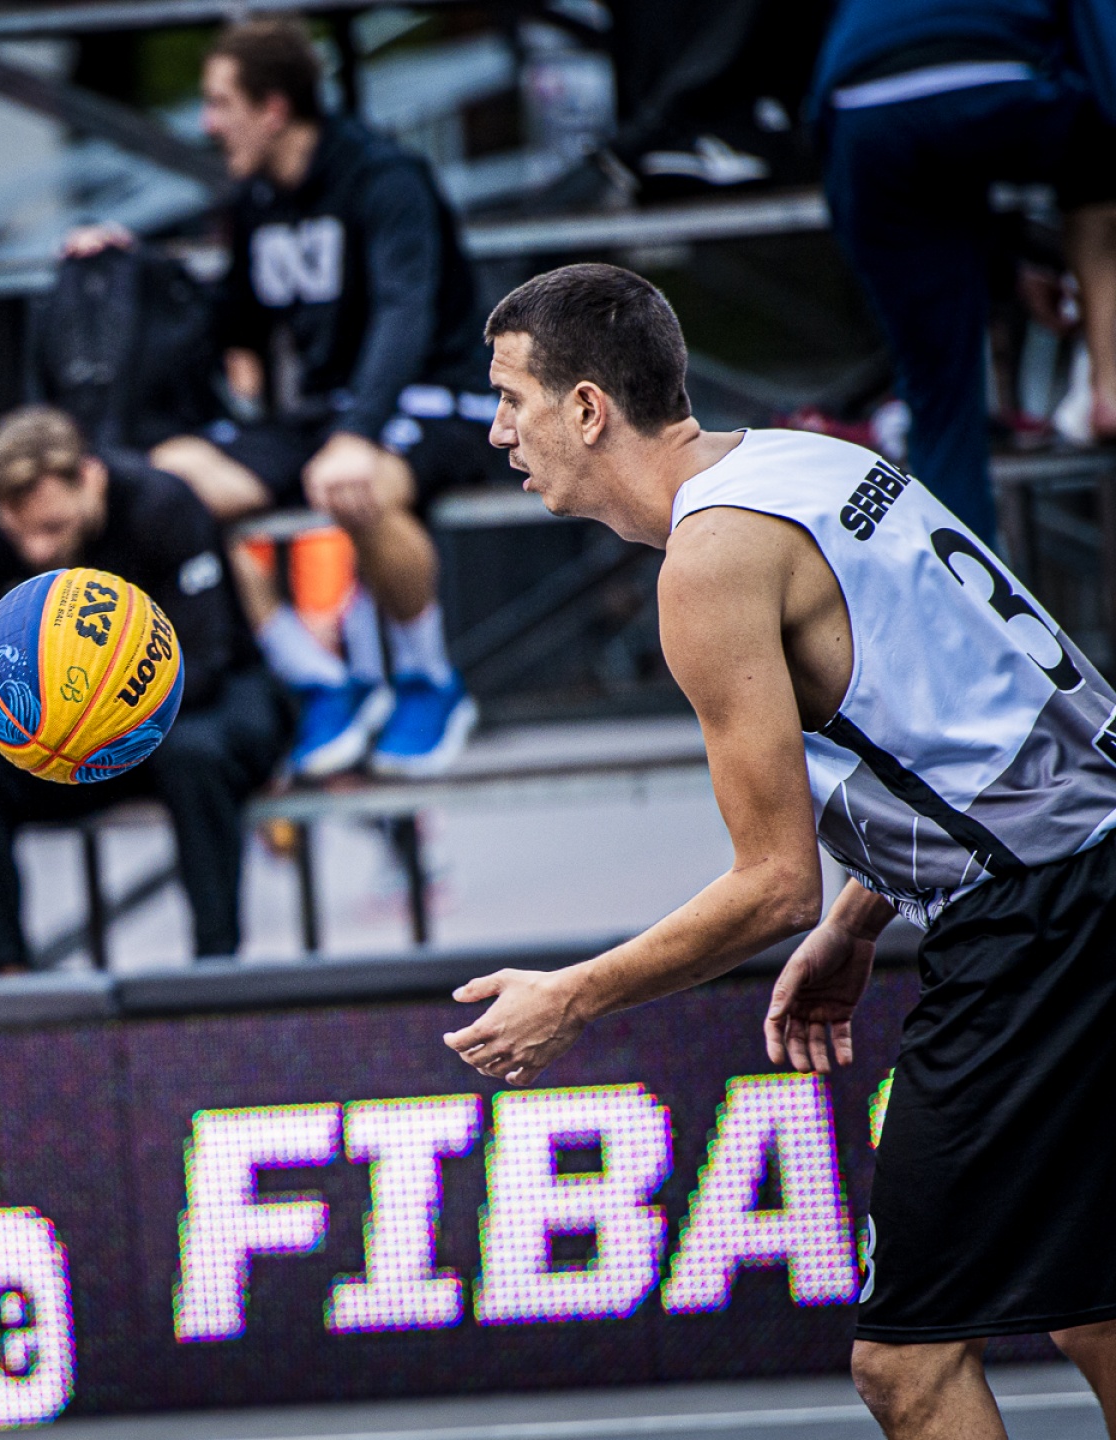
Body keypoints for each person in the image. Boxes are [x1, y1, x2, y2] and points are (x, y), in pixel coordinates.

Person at [453, 262, 1116, 1440]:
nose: (501, 431)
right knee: (1095, 1305)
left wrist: (574, 996)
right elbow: (971, 721)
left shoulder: (710, 563)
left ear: (589, 408)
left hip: (1040, 926)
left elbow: (770, 888)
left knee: (907, 1367)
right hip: (1086, 872)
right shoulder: (812, 464)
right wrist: (861, 920)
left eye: (513, 399)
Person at [108, 18, 486, 778]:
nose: (208, 124)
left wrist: (358, 431)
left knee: (353, 481)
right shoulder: (257, 198)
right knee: (163, 486)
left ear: (274, 108)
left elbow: (404, 313)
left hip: (437, 397)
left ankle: (428, 679)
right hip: (327, 413)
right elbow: (231, 320)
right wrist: (134, 265)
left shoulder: (385, 178)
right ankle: (317, 679)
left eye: (221, 103)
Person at [0, 406, 291, 971]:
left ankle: (215, 970)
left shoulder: (161, 503)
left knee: (196, 754)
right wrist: (36, 725)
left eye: (53, 528)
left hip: (196, 707)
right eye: (20, 532)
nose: (36, 551)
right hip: (75, 736)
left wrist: (100, 712)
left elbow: (207, 658)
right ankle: (6, 976)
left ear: (91, 477)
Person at [811, 0, 1116, 544]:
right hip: (996, 82)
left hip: (863, 112)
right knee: (1101, 161)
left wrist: (1006, 269)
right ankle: (1109, 382)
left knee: (939, 405)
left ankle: (963, 593)